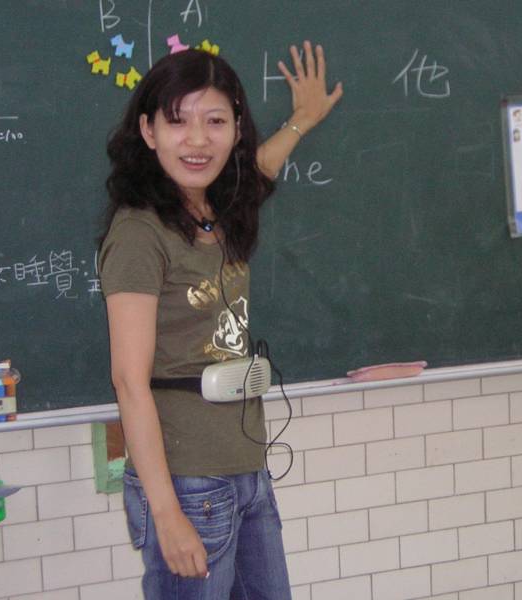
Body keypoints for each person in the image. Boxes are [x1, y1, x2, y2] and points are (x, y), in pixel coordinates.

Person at [98, 42, 342, 599]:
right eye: (178, 121)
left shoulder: (218, 209)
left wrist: (303, 120)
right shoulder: (139, 233)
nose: (198, 140)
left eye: (215, 121)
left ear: (236, 130)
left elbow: (262, 167)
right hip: (187, 480)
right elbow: (129, 382)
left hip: (246, 470)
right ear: (148, 130)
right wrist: (166, 515)